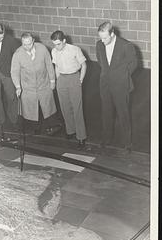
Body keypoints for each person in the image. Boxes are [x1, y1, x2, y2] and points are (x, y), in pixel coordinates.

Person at [96, 21, 138, 153]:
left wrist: (121, 76)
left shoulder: (126, 45)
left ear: (112, 34)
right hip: (105, 84)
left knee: (123, 113)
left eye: (105, 38)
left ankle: (127, 142)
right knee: (106, 112)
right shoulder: (99, 44)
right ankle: (106, 138)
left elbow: (133, 64)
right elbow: (100, 61)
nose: (102, 41)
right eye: (101, 38)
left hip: (121, 85)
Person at [11, 32, 62, 135]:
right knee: (30, 109)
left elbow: (49, 65)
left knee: (48, 106)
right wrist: (18, 86)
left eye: (29, 44)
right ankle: (35, 128)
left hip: (44, 83)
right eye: (24, 44)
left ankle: (53, 126)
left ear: (33, 41)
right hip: (28, 87)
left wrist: (52, 81)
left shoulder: (42, 49)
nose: (27, 47)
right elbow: (14, 72)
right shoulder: (17, 54)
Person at [50, 30, 87, 150]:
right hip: (62, 78)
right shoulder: (54, 51)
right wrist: (57, 80)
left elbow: (84, 65)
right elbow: (56, 66)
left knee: (77, 108)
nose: (56, 47)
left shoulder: (75, 49)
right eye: (54, 44)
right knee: (65, 107)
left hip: (74, 77)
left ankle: (81, 136)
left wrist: (80, 79)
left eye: (58, 44)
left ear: (64, 41)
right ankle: (70, 130)